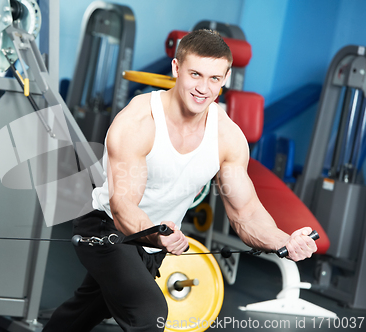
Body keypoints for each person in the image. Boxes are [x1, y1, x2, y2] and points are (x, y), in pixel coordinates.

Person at [43, 29, 317, 332]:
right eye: (195, 74)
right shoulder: (139, 123)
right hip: (106, 227)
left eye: (214, 78)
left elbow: (246, 214)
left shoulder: (227, 137)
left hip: (157, 240)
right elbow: (123, 207)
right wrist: (156, 234)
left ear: (225, 78)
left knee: (86, 310)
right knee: (150, 313)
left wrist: (285, 241)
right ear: (176, 69)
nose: (203, 88)